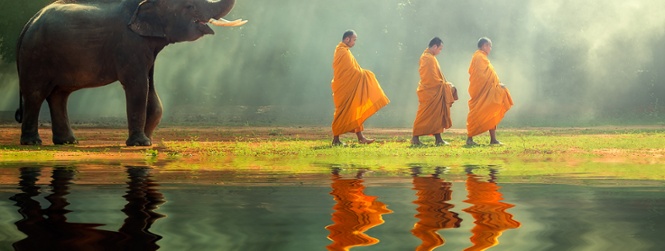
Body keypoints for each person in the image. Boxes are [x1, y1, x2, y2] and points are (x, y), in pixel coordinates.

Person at [331, 30, 390, 146]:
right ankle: (336, 139)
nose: (354, 42)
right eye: (354, 40)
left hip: (349, 86)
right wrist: (363, 74)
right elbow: (349, 71)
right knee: (342, 111)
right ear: (347, 39)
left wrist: (363, 73)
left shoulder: (344, 50)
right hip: (344, 87)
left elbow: (351, 70)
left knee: (354, 108)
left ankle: (361, 138)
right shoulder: (342, 51)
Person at [466, 37, 513, 146]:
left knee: (491, 111)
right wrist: (495, 85)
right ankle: (469, 139)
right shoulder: (478, 57)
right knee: (476, 113)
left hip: (488, 91)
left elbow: (490, 75)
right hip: (482, 92)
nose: (490, 48)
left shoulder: (483, 58)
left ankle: (493, 139)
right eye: (489, 46)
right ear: (483, 46)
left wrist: (497, 85)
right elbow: (481, 77)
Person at [411, 37, 457, 146]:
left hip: (434, 90)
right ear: (435, 46)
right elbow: (431, 78)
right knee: (424, 115)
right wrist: (445, 85)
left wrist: (444, 84)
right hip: (430, 91)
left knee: (437, 115)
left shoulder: (430, 57)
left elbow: (435, 76)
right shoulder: (428, 58)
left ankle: (438, 139)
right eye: (440, 49)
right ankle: (415, 138)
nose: (440, 51)